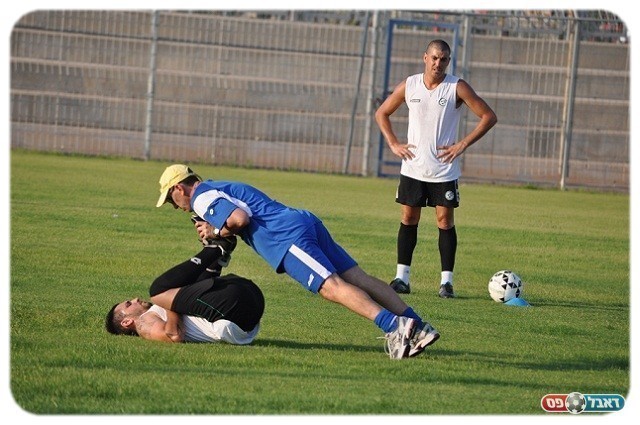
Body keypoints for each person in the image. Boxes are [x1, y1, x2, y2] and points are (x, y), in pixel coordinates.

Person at [155, 164, 440, 359]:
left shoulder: (201, 198)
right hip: (300, 221)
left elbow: (239, 220)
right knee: (358, 278)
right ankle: (418, 326)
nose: (174, 206)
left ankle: (395, 327)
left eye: (170, 199)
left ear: (179, 188)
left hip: (284, 237)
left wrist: (215, 231)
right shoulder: (217, 185)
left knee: (331, 287)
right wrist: (221, 231)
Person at [375, 39, 497, 297]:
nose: (437, 63)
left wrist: (462, 144)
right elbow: (381, 113)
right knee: (409, 218)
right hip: (413, 167)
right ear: (425, 58)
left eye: (443, 59)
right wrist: (393, 143)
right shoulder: (410, 85)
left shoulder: (456, 87)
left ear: (448, 61)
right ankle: (401, 279)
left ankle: (446, 283)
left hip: (443, 169)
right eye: (434, 58)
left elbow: (488, 116)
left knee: (444, 221)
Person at [106, 242, 264, 345]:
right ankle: (215, 247)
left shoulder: (160, 309)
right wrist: (168, 304)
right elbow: (173, 335)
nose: (135, 299)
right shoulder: (143, 324)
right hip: (234, 309)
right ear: (126, 322)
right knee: (158, 289)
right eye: (128, 304)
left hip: (246, 302)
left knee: (175, 289)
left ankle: (216, 252)